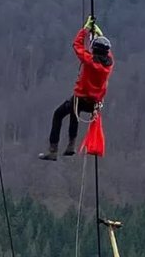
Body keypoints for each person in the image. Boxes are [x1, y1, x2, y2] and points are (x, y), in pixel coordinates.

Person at [38, 16, 114, 161]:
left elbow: (77, 45)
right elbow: (108, 53)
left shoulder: (89, 60)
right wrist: (100, 35)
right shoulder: (109, 65)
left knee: (59, 114)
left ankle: (55, 150)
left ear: (94, 49)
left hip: (81, 98)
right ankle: (70, 145)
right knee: (74, 111)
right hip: (94, 103)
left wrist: (85, 30)